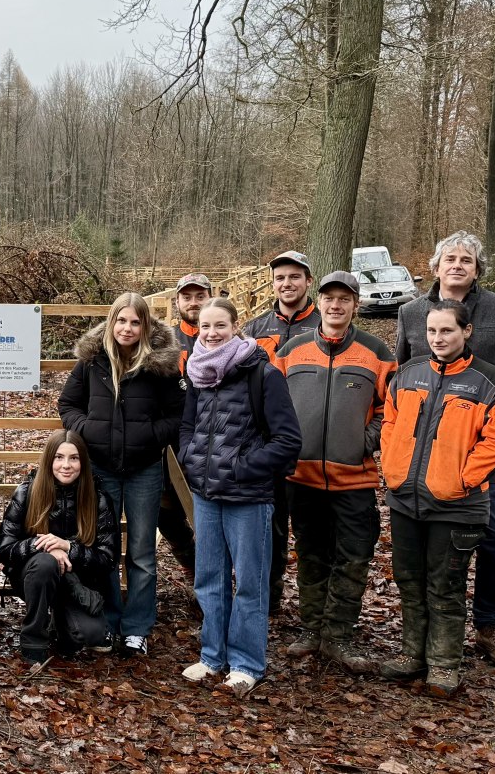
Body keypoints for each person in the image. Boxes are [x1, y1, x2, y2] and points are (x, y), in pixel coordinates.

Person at [394, 231, 495, 668]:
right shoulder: (412, 312)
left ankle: (489, 627)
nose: (457, 265)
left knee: (492, 540)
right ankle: (427, 640)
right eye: (449, 258)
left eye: (466, 260)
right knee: (426, 554)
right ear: (435, 266)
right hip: (424, 456)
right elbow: (400, 377)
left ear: (476, 269)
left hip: (484, 450)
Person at [381, 300, 495, 696]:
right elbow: (389, 422)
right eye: (432, 331)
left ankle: (443, 663)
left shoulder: (489, 382)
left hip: (457, 505)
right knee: (409, 579)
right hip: (406, 498)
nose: (438, 339)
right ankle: (412, 654)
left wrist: (461, 479)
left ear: (466, 332)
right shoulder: (408, 373)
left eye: (447, 331)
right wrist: (392, 468)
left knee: (446, 585)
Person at [177, 298, 301, 695]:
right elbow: (187, 426)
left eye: (220, 326)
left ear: (236, 327)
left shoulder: (262, 374)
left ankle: (247, 663)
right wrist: (190, 459)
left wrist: (242, 468)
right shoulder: (198, 374)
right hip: (206, 494)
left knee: (250, 581)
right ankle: (212, 656)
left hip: (249, 497)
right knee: (210, 578)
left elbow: (287, 441)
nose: (212, 333)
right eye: (205, 326)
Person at [276, 271, 396, 674]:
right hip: (302, 476)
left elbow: (390, 411)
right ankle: (311, 628)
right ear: (320, 300)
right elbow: (273, 404)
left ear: (355, 305)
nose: (335, 305)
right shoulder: (291, 350)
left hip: (354, 479)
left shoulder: (376, 353)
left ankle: (339, 634)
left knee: (353, 556)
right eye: (329, 298)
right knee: (310, 553)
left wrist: (365, 440)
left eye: (344, 299)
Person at [58, 292, 184, 657]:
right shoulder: (92, 362)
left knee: (142, 552)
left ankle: (137, 628)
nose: (127, 328)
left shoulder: (161, 366)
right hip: (101, 469)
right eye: (121, 320)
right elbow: (67, 404)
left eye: (135, 322)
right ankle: (108, 621)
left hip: (144, 469)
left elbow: (177, 415)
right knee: (104, 550)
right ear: (111, 323)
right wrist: (88, 430)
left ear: (145, 326)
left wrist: (149, 436)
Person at [242, 250, 321, 613]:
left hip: (313, 447)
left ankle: (311, 610)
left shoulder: (323, 325)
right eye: (280, 278)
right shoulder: (256, 330)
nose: (287, 284)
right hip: (267, 445)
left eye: (294, 277)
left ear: (307, 280)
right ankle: (268, 599)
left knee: (309, 532)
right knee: (269, 529)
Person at [0, 430, 119, 663]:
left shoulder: (98, 498)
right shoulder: (27, 493)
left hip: (76, 583)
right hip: (35, 577)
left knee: (88, 636)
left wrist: (68, 548)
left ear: (83, 461)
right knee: (45, 562)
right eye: (59, 457)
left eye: (74, 458)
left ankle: (61, 621)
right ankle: (33, 638)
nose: (66, 465)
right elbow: (5, 549)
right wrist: (42, 545)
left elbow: (108, 558)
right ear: (48, 459)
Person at [158, 273, 208, 582]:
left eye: (199, 296)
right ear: (177, 302)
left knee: (209, 510)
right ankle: (190, 563)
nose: (193, 302)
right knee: (167, 513)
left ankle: (213, 576)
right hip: (171, 442)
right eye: (187, 297)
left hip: (214, 440)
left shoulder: (221, 336)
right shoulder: (165, 341)